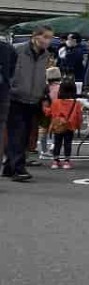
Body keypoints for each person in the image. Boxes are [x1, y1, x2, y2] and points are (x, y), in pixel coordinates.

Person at [3, 26, 53, 182]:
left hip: (33, 98)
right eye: (45, 37)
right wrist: (11, 85)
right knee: (17, 133)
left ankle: (10, 167)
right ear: (35, 36)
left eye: (50, 37)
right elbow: (8, 70)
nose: (47, 41)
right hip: (15, 97)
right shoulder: (18, 50)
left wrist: (44, 92)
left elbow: (41, 75)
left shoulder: (45, 55)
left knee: (24, 135)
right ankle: (18, 168)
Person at [48, 79, 83, 170]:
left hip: (58, 126)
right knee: (68, 143)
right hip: (70, 126)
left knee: (57, 143)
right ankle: (66, 161)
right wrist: (78, 126)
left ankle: (55, 161)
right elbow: (79, 116)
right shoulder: (76, 103)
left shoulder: (56, 102)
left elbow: (51, 113)